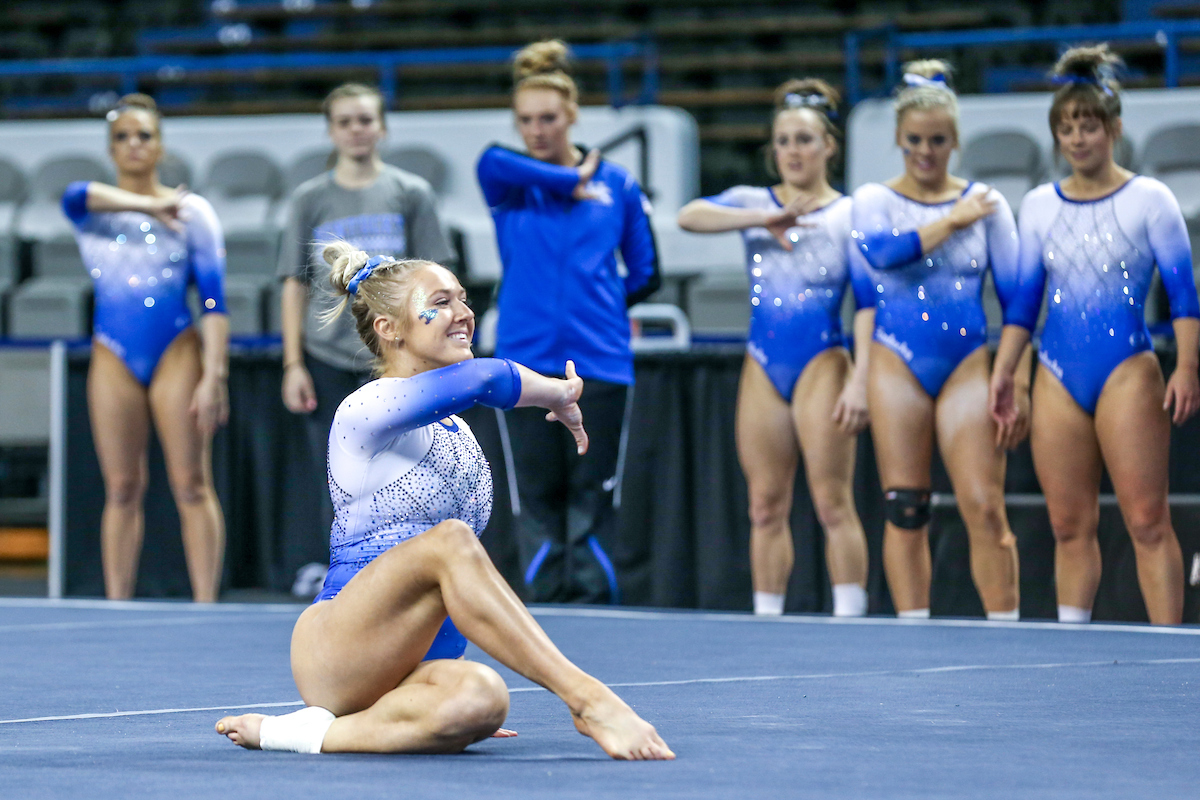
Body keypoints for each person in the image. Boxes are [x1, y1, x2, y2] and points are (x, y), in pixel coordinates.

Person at [215, 243, 673, 760]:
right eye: (442, 301)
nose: (464, 313)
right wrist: (557, 393)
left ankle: (299, 733)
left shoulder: (456, 431)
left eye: (464, 298)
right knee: (449, 540)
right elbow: (485, 378)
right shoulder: (365, 409)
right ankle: (589, 699)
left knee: (482, 698)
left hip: (412, 666)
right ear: (390, 329)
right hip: (339, 648)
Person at [991, 45, 1200, 625]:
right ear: (1056, 136)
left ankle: (1171, 651)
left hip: (1127, 369)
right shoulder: (1035, 206)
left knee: (1146, 521)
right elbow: (1025, 303)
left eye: (1089, 126)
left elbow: (1183, 293)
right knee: (1067, 525)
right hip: (1056, 372)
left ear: (1115, 129)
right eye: (1066, 128)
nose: (1078, 139)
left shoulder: (1150, 199)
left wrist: (1186, 366)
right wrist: (1004, 371)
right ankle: (1070, 645)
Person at [475, 40, 660, 603]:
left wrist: (598, 306)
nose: (537, 130)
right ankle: (540, 603)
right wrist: (569, 179)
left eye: (549, 118)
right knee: (534, 490)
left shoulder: (620, 185)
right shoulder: (509, 182)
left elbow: (647, 273)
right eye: (526, 120)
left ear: (573, 116)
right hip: (523, 361)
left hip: (600, 358)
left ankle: (592, 602)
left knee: (591, 487)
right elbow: (491, 158)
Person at [676, 79, 870, 617]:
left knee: (832, 502)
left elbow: (871, 300)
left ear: (829, 146)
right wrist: (764, 218)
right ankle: (768, 620)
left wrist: (861, 379)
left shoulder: (850, 213)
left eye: (805, 140)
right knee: (764, 506)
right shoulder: (751, 202)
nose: (792, 151)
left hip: (824, 359)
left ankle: (852, 621)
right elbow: (687, 215)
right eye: (783, 141)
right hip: (763, 362)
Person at [848, 61, 1028, 620]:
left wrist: (1015, 377)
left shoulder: (987, 204)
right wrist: (952, 220)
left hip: (966, 364)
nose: (926, 152)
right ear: (899, 141)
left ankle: (1007, 631)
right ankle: (912, 633)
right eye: (914, 141)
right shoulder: (875, 199)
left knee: (984, 505)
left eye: (938, 141)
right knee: (905, 507)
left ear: (955, 141)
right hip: (895, 360)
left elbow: (1020, 296)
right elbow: (879, 254)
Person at [278, 82, 454, 593]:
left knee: (404, 463)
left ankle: (404, 565)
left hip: (396, 358)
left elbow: (434, 278)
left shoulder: (411, 192)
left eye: (365, 120)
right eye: (345, 122)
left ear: (381, 126)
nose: (356, 130)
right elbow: (293, 282)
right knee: (334, 466)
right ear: (331, 131)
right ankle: (331, 565)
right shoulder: (309, 199)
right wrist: (293, 363)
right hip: (327, 355)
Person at [61, 93, 229, 602]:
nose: (134, 144)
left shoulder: (192, 212)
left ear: (160, 145)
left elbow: (215, 300)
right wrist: (149, 204)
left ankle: (206, 604)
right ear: (111, 149)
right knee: (122, 488)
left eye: (144, 136)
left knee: (191, 484)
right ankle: (117, 603)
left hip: (177, 350)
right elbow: (75, 193)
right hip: (113, 353)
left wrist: (214, 375)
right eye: (123, 137)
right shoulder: (93, 211)